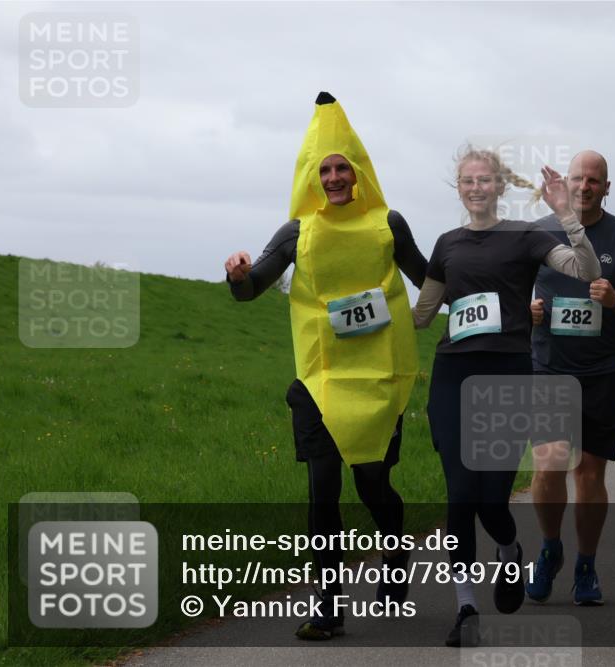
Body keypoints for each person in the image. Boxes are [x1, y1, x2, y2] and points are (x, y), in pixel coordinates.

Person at [224, 92, 426, 640]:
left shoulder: (389, 224)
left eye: (343, 168)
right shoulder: (297, 232)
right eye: (326, 170)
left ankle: (394, 564)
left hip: (376, 381)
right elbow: (251, 289)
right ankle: (328, 604)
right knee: (322, 491)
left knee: (374, 487)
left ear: (358, 174)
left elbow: (430, 283)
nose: (334, 177)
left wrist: (482, 296)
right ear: (312, 178)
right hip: (318, 381)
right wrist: (238, 273)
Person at [411, 147, 601, 647]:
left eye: (484, 180)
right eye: (467, 181)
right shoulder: (446, 244)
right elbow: (422, 314)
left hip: (507, 379)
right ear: (459, 188)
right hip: (452, 374)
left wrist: (564, 212)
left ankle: (511, 549)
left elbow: (583, 268)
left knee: (491, 499)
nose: (476, 188)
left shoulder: (525, 236)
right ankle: (466, 608)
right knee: (458, 497)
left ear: (499, 186)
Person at [526, 150, 615, 608]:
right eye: (578, 179)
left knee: (588, 474)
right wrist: (529, 312)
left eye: (594, 181)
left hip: (602, 372)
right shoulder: (540, 232)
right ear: (567, 181)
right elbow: (509, 292)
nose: (584, 187)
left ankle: (585, 563)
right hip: (548, 367)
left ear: (606, 187)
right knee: (547, 467)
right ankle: (549, 548)